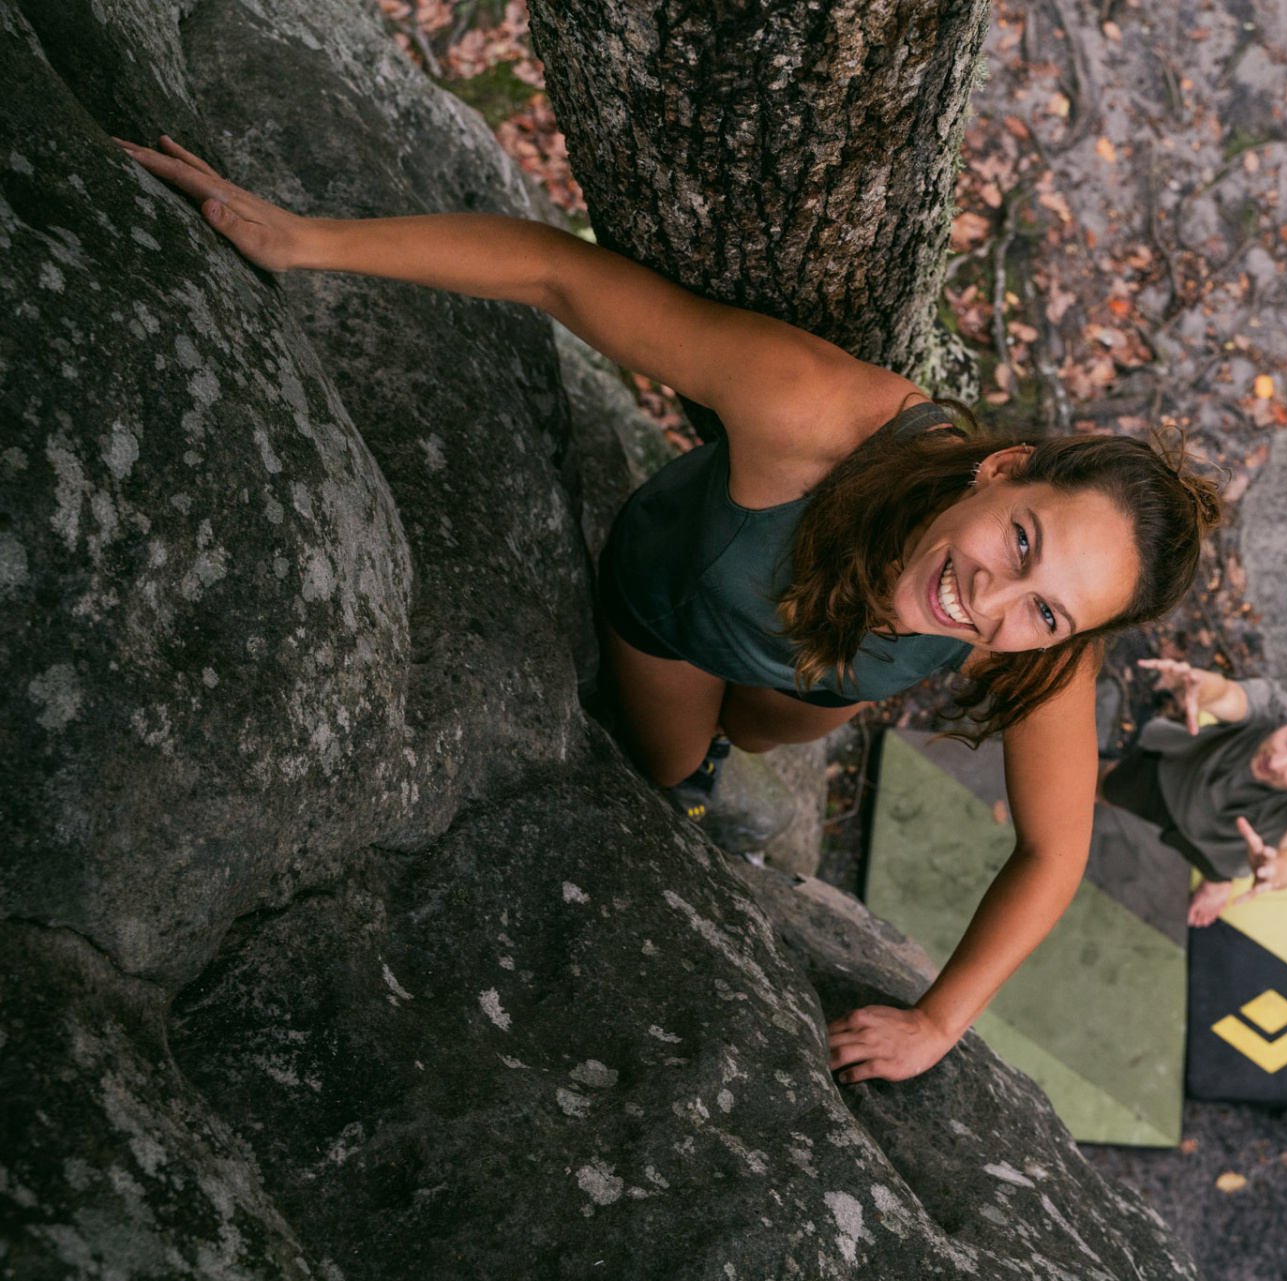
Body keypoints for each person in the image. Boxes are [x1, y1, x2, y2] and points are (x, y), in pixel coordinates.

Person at [122, 137, 1220, 1084]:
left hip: (819, 679)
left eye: (1047, 611)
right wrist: (305, 240)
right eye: (1020, 543)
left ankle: (741, 751)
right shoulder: (812, 413)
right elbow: (557, 277)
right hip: (683, 610)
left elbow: (1051, 852)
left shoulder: (1044, 651)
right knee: (667, 769)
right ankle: (694, 778)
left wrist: (942, 1020)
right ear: (1005, 469)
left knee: (775, 726)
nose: (993, 599)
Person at [1103, 659, 1287, 927]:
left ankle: (1217, 883)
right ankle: (1218, 881)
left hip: (1217, 854)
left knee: (1219, 871)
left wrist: (1280, 869)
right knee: (1105, 787)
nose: (1278, 763)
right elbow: (1227, 695)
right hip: (1168, 779)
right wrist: (1201, 687)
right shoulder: (1275, 708)